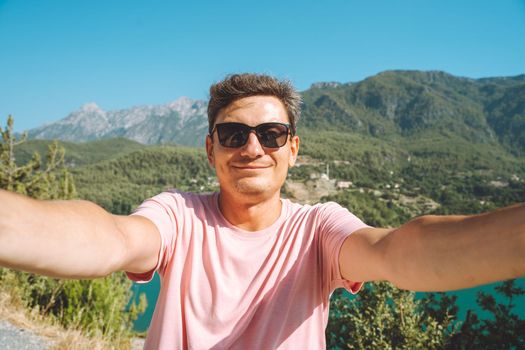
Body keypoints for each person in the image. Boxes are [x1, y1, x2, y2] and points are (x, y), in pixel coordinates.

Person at [0, 73, 524, 349]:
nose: (252, 147)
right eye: (233, 134)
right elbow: (109, 237)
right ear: (211, 149)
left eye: (271, 134)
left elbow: (401, 252)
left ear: (292, 148)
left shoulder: (318, 228)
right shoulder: (178, 217)